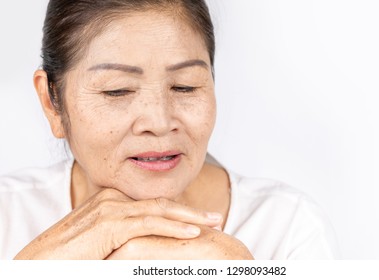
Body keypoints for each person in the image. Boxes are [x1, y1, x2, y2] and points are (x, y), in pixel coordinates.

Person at [0, 0, 339, 260]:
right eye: (117, 90)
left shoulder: (286, 227)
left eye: (185, 86)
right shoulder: (8, 216)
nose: (160, 123)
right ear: (51, 102)